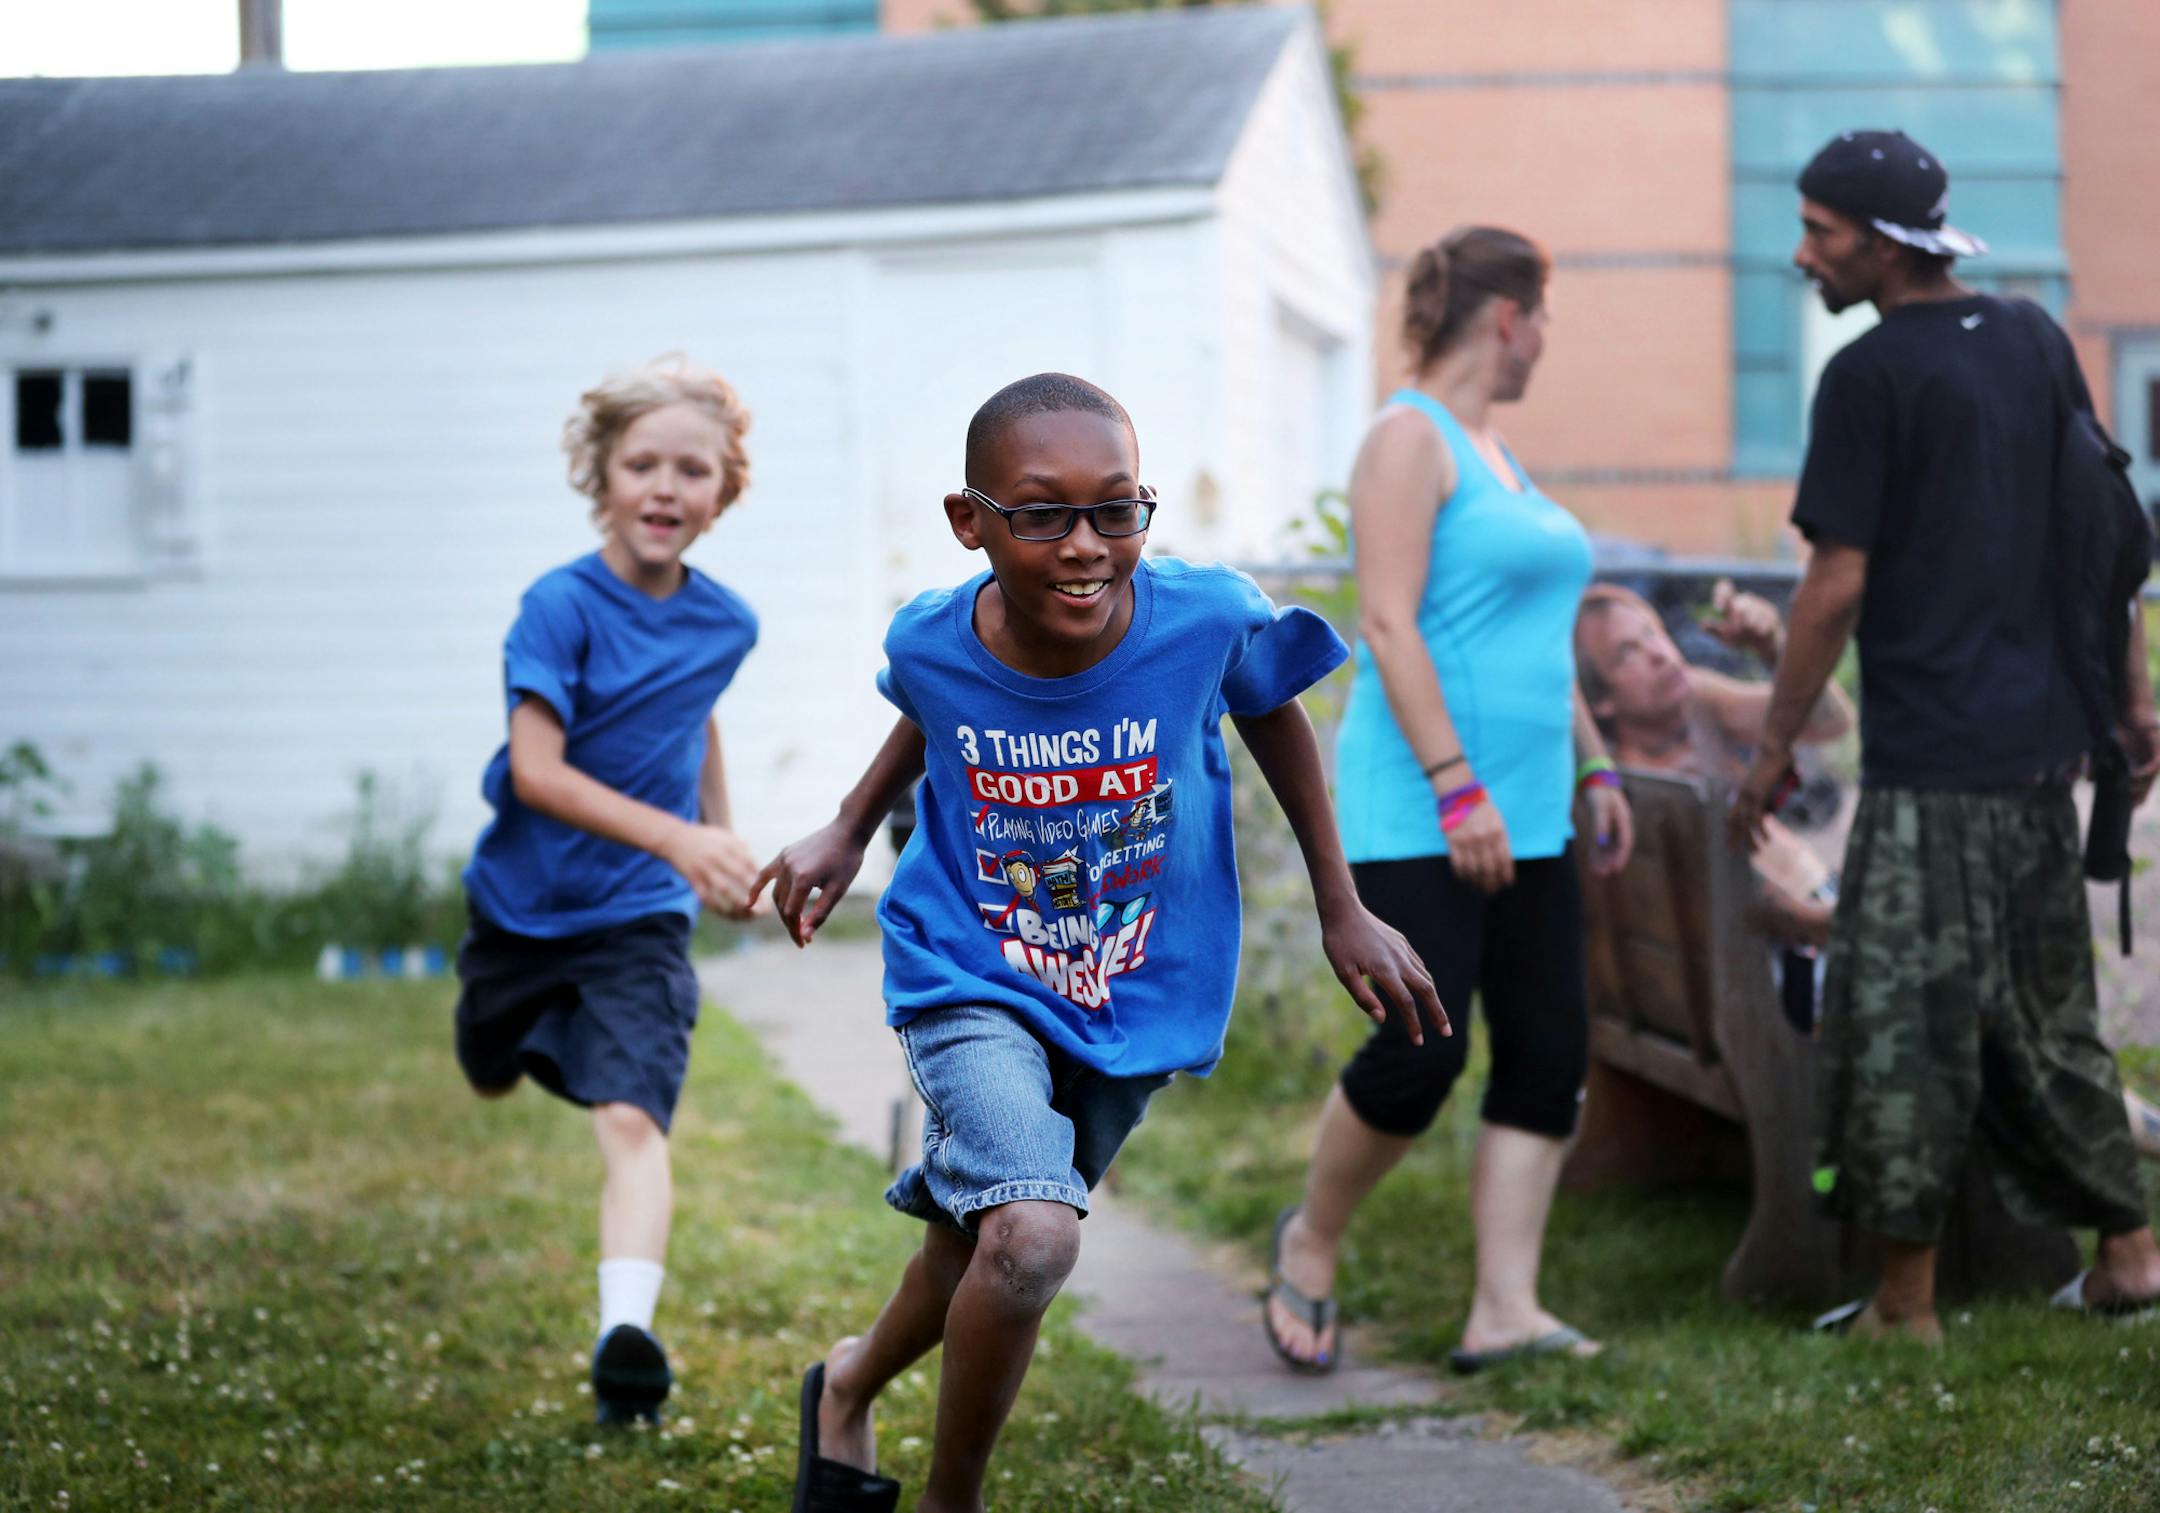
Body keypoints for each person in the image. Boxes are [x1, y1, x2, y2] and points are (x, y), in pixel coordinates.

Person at [757, 373, 1446, 1513]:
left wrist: (1341, 900)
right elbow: (935, 702)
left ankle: (845, 1386)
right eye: (1041, 514)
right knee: (1028, 1235)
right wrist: (845, 822)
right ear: (968, 521)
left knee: (978, 1233)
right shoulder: (929, 636)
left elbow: (1270, 701)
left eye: (1116, 509)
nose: (1085, 545)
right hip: (966, 965)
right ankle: (952, 1499)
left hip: (1129, 989)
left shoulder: (1205, 617)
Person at [1728, 129, 2160, 1344]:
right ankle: (2130, 1257)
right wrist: (2126, 707)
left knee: (1902, 1023)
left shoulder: (1866, 380)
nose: (1802, 255)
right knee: (2046, 1014)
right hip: (2041, 760)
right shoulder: (2032, 340)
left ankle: (1907, 1306)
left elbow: (1832, 584)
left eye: (1820, 232)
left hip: (1931, 770)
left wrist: (1770, 751)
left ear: (1879, 239)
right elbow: (2107, 541)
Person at [1267, 226, 1633, 1378]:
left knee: (1546, 1047)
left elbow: (1539, 645)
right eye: (1547, 319)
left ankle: (1505, 1308)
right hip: (1423, 804)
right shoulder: (1406, 439)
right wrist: (1456, 783)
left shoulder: (1497, 453)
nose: (1547, 343)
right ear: (1509, 316)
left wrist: (1595, 764)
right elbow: (1386, 620)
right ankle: (1312, 1243)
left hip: (1531, 807)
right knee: (1421, 1052)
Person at [452, 357, 762, 1422]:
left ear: (723, 492)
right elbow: (536, 771)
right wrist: (684, 834)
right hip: (521, 908)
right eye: (644, 464)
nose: (667, 487)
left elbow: (696, 712)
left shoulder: (728, 624)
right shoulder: (559, 607)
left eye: (693, 469)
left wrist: (720, 838)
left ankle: (624, 1334)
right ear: (602, 475)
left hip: (638, 917)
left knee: (633, 1117)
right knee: (492, 1069)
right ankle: (510, 1038)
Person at [1575, 580, 1852, 946]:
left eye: (1653, 634)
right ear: (1601, 701)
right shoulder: (1617, 787)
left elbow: (1830, 722)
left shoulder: (1698, 701)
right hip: (1744, 943)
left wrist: (1774, 648)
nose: (1658, 654)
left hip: (1812, 894)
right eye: (1628, 653)